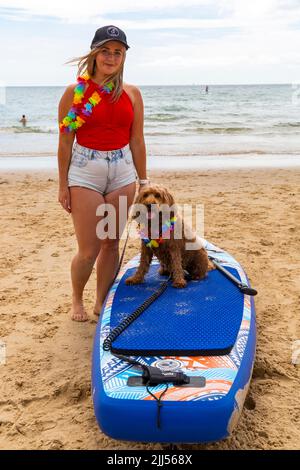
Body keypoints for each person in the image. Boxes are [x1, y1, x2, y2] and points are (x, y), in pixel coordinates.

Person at [57, 25, 149, 322]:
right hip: (85, 171)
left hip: (122, 171)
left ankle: (101, 303)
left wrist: (144, 181)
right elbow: (65, 141)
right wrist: (62, 185)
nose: (111, 57)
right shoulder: (75, 93)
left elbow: (137, 140)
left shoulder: (132, 93)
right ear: (95, 54)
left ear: (123, 57)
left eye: (117, 52)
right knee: (88, 248)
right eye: (105, 51)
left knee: (111, 242)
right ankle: (76, 300)